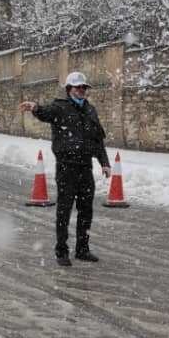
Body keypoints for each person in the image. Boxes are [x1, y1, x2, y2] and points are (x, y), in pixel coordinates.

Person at [20, 72, 111, 266]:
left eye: (84, 88)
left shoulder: (90, 110)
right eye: (78, 87)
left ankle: (82, 249)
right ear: (69, 89)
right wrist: (35, 108)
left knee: (86, 211)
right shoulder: (60, 108)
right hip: (66, 168)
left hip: (85, 168)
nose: (82, 91)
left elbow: (98, 140)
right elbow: (45, 113)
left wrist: (104, 162)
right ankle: (62, 251)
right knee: (64, 210)